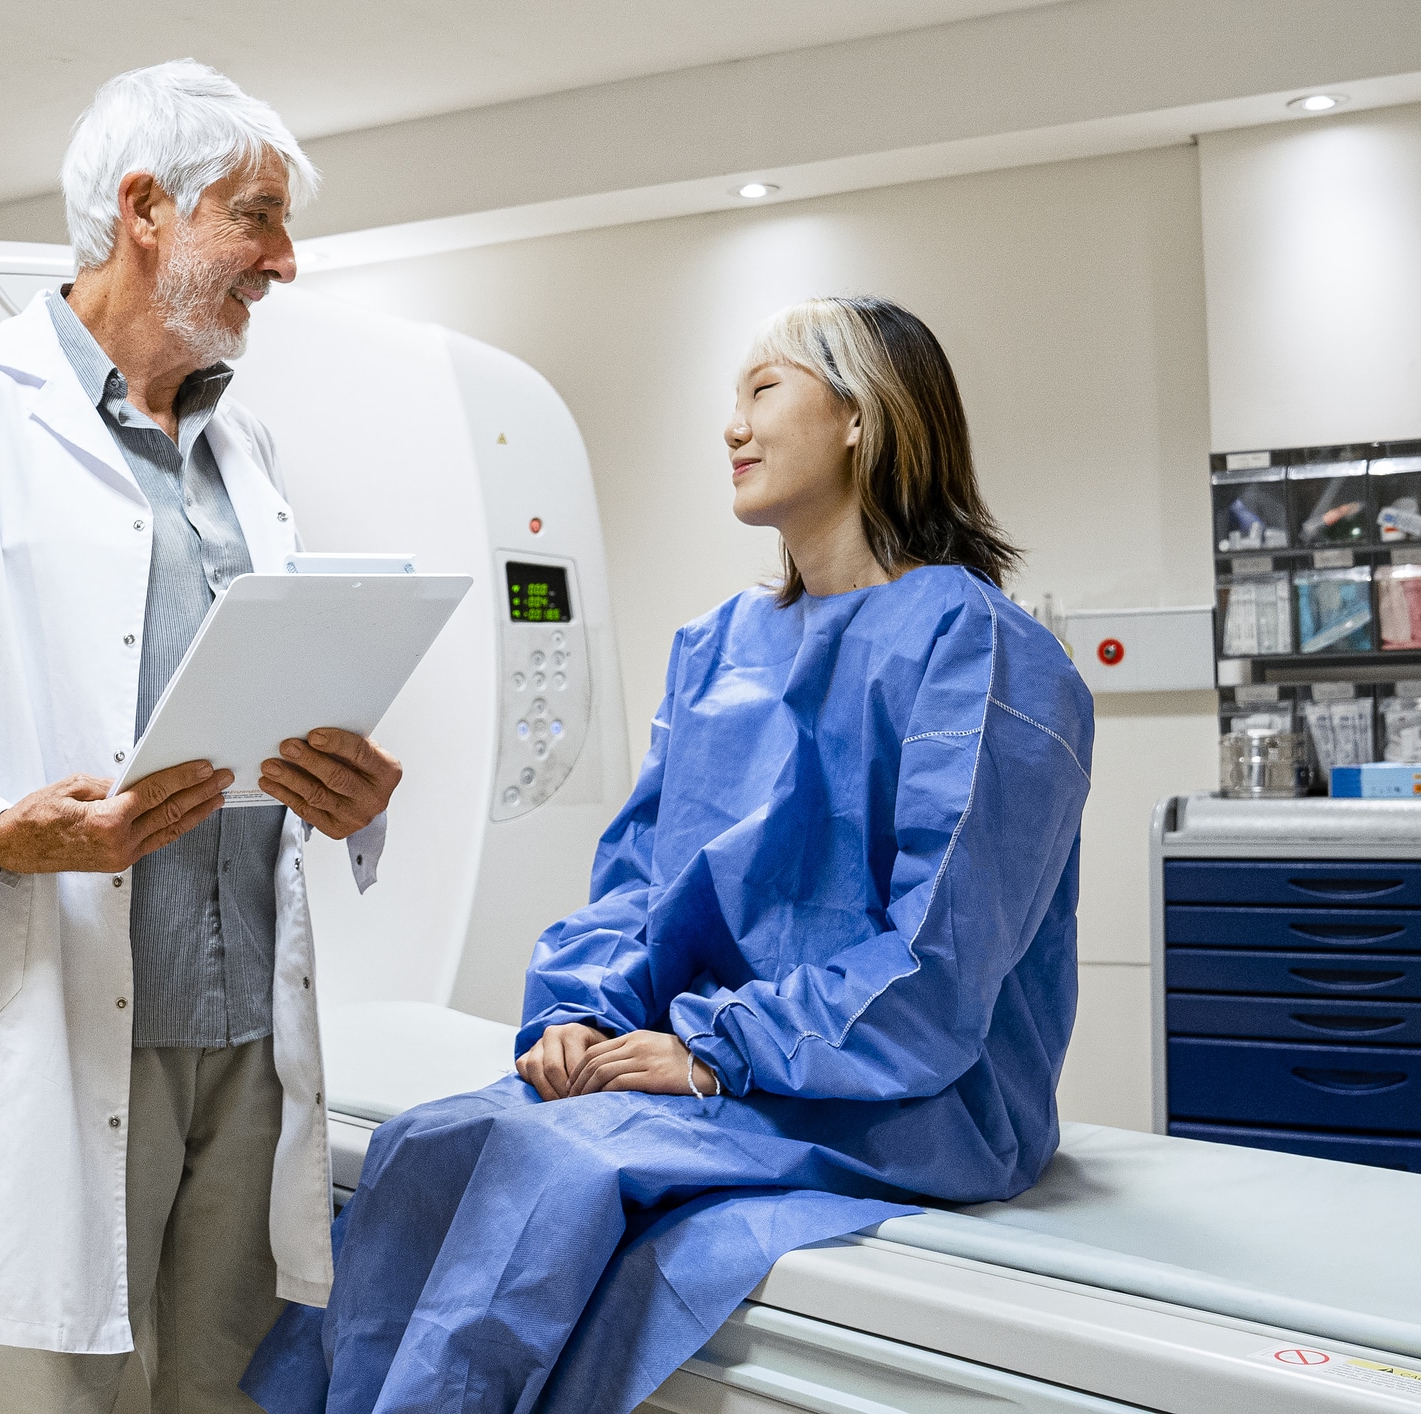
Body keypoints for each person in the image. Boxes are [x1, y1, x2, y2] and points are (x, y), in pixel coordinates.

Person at [244, 296, 1094, 1414]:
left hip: (906, 1093)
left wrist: (710, 1051)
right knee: (428, 1139)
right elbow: (639, 888)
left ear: (863, 416)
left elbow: (937, 965)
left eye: (764, 390)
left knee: (557, 1169)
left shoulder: (979, 648)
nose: (730, 426)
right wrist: (579, 1014)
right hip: (709, 1065)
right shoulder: (722, 647)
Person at [0, 61, 403, 1414]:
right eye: (258, 217)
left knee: (223, 1393)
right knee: (53, 1397)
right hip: (53, 1023)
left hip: (241, 1041)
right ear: (143, 209)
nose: (285, 262)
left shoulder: (249, 453)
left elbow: (260, 703)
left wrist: (349, 787)